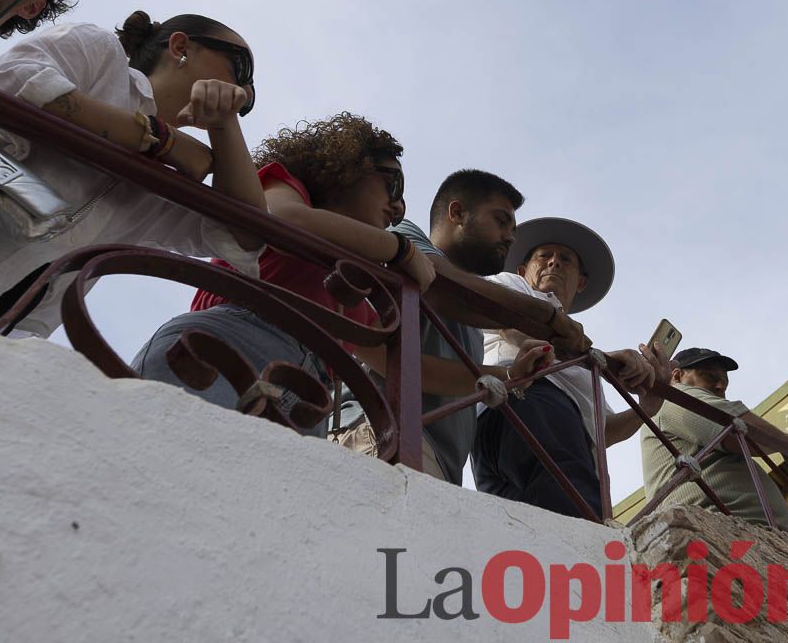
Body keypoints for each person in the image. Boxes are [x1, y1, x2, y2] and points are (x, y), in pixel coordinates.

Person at [0, 11, 264, 335]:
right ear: (180, 47)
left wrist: (225, 125)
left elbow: (244, 237)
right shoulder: (101, 55)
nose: (244, 90)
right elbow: (19, 82)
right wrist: (161, 140)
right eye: (241, 68)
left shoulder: (174, 182)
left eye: (249, 92)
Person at [132, 113, 482, 440]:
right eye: (393, 185)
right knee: (167, 456)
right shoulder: (288, 186)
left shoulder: (353, 287)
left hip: (307, 397)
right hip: (227, 345)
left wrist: (503, 377)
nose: (399, 208)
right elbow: (285, 220)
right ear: (349, 166)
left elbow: (404, 367)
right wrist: (401, 250)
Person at [331, 169, 585, 482]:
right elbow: (439, 285)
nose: (510, 237)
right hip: (381, 430)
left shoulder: (474, 329)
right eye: (501, 221)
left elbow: (425, 373)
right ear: (458, 213)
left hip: (431, 459)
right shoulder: (402, 232)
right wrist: (548, 316)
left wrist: (510, 376)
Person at [472, 216, 659, 519]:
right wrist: (595, 357)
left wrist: (646, 409)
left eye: (566, 259)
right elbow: (516, 328)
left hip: (570, 438)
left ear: (581, 282)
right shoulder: (512, 285)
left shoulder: (586, 360)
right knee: (576, 519)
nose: (554, 263)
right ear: (523, 270)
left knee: (525, 536)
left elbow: (604, 430)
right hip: (526, 400)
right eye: (543, 256)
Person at [640, 347, 788, 534]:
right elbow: (736, 425)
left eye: (724, 382)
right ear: (678, 377)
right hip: (719, 534)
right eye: (710, 377)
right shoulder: (672, 398)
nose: (721, 386)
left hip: (735, 535)